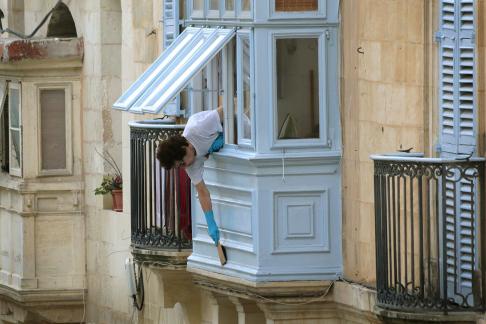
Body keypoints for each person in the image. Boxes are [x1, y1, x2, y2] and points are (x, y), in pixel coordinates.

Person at [156, 107, 224, 247]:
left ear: (185, 146)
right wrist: (210, 222)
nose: (184, 166)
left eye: (182, 162)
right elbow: (203, 192)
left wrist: (228, 137)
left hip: (246, 131)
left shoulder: (198, 128)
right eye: (180, 166)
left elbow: (229, 107)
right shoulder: (190, 166)